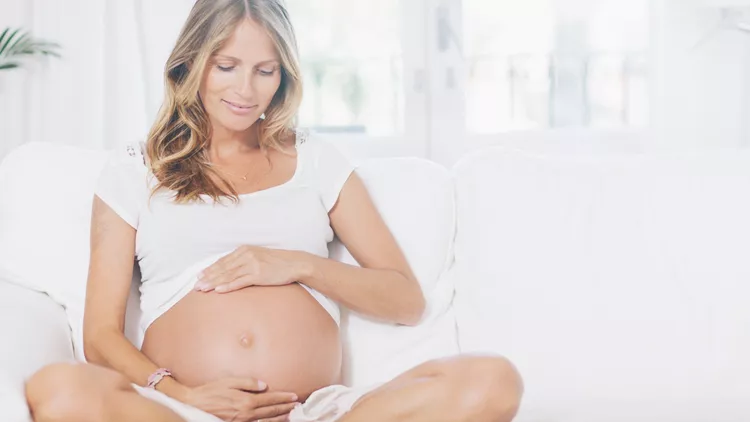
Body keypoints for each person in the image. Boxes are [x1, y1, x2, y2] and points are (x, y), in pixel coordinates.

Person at [23, 1, 523, 421]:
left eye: (265, 71)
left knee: (492, 380)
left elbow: (405, 299)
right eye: (226, 66)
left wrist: (295, 264)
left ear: (284, 76)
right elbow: (100, 336)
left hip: (314, 412)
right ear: (190, 64)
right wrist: (182, 394)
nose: (245, 90)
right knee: (57, 390)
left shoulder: (317, 161)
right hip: (186, 411)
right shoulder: (136, 169)